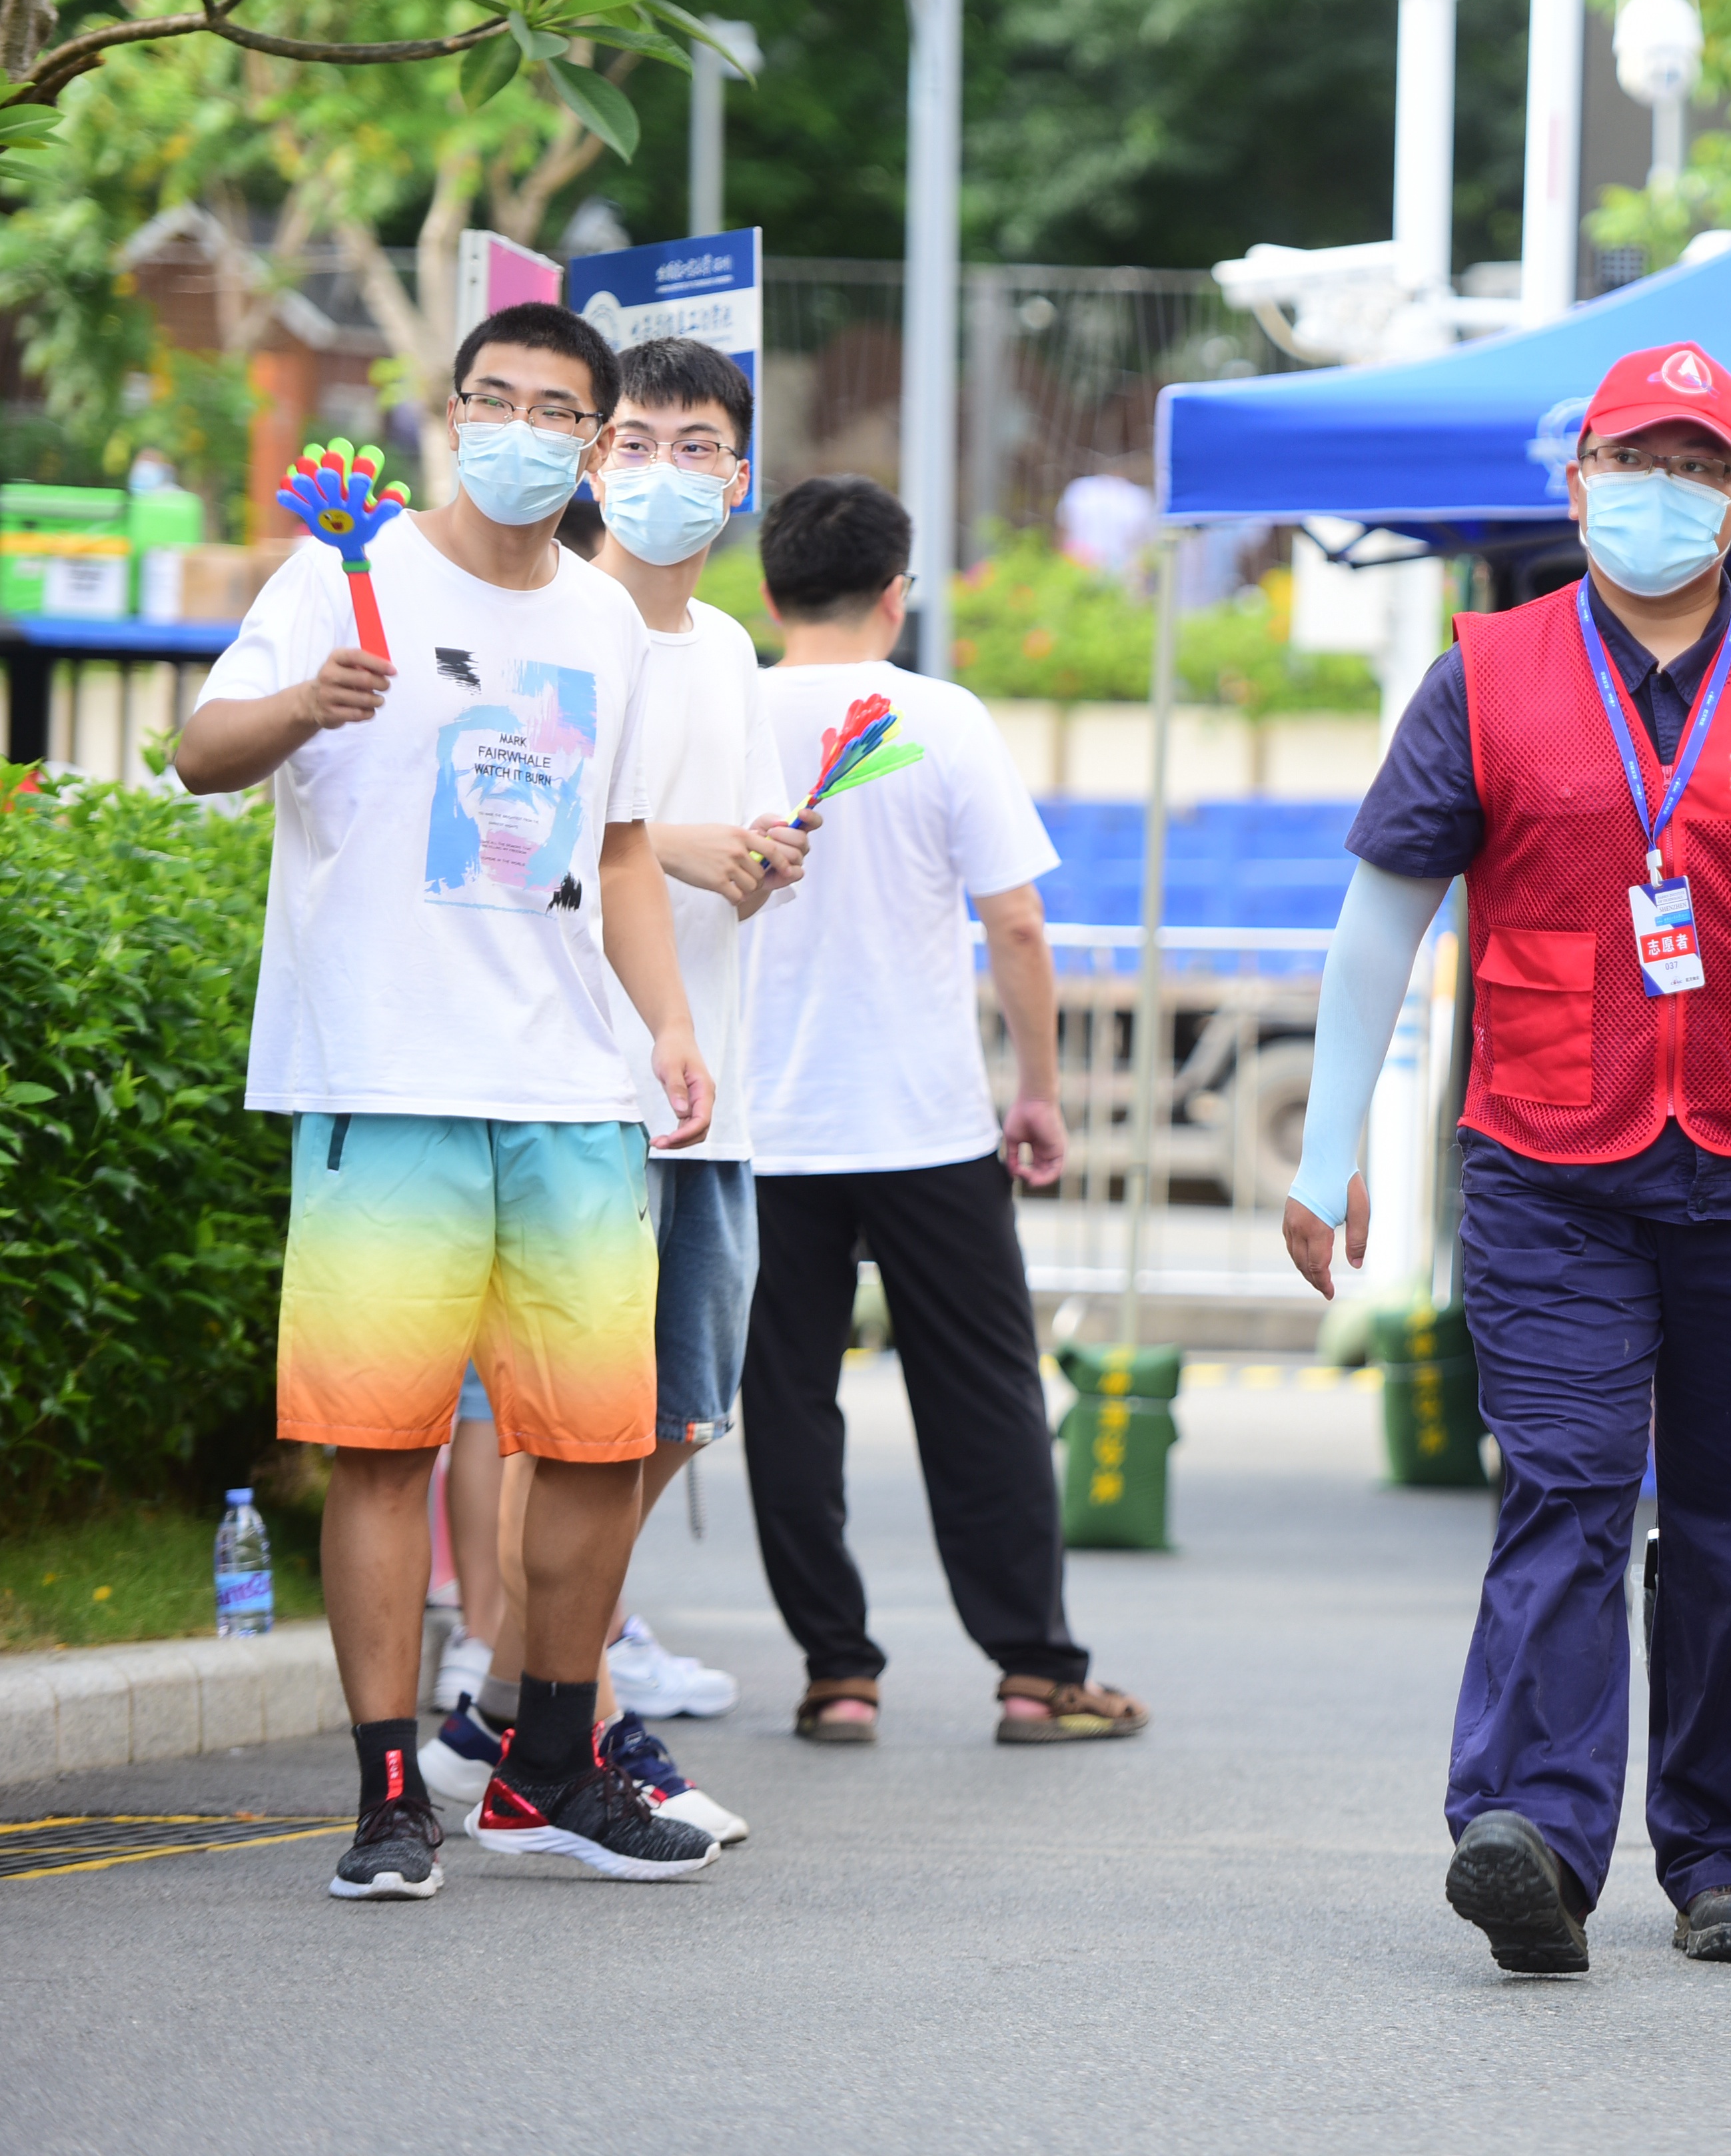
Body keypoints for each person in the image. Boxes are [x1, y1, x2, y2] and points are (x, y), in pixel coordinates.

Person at [1281, 340, 1731, 1977]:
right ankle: (1526, 1833)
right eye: (1626, 461)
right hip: (1548, 1156)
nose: (1656, 491)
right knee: (1567, 1487)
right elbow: (1381, 922)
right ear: (1576, 483)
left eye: (1693, 465)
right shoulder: (1488, 671)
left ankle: (1730, 1852)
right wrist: (1327, 1144)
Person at [177, 298, 723, 1899]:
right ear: (453, 408)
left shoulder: (606, 625)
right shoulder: (345, 577)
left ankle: (548, 1760)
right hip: (388, 1075)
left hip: (570, 1085)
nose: (526, 431)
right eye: (500, 400)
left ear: (591, 441)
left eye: (562, 412)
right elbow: (204, 750)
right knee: (380, 1444)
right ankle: (385, 1790)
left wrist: (670, 1022)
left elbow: (619, 847)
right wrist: (306, 706)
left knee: (602, 1441)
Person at [421, 339, 808, 1845]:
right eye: (634, 439)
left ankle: (508, 1708)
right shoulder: (552, 627)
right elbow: (519, 847)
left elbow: (698, 861)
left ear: (740, 472)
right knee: (564, 1425)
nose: (663, 469)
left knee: (671, 1421)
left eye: (697, 444)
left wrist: (753, 868)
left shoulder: (722, 650)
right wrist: (692, 847)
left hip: (709, 1086)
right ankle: (544, 1717)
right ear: (593, 463)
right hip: (575, 1082)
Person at [735, 476, 1149, 1750]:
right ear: (897, 595)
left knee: (789, 1398)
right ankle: (1035, 1671)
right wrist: (1039, 1089)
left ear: (768, 590)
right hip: (924, 1119)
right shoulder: (942, 717)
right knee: (982, 1396)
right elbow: (1015, 920)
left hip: (765, 1124)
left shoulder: (721, 710)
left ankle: (836, 1672)